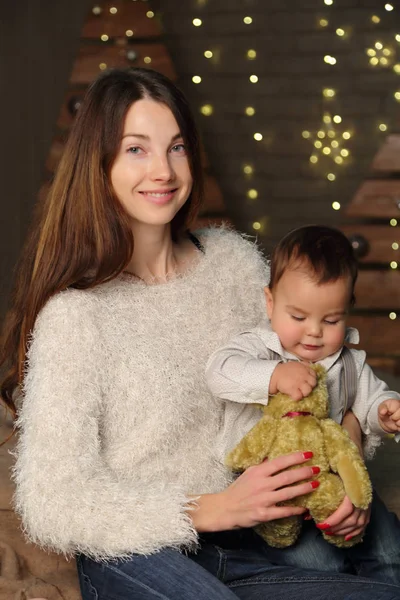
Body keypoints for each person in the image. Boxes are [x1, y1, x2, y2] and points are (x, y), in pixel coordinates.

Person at [1, 68, 399, 600]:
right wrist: (213, 508)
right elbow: (55, 498)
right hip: (141, 547)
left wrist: (350, 454)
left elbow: (313, 375)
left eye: (177, 148)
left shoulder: (232, 263)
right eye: (136, 149)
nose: (162, 171)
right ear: (100, 165)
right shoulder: (76, 315)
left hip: (256, 534)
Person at [206, 224, 400, 584]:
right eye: (298, 317)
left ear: (348, 310)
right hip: (278, 499)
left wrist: (386, 409)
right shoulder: (259, 348)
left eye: (331, 320)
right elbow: (218, 372)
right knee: (321, 566)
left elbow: (369, 399)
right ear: (270, 302)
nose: (314, 331)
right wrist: (274, 375)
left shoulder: (348, 361)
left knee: (388, 545)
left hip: (336, 485)